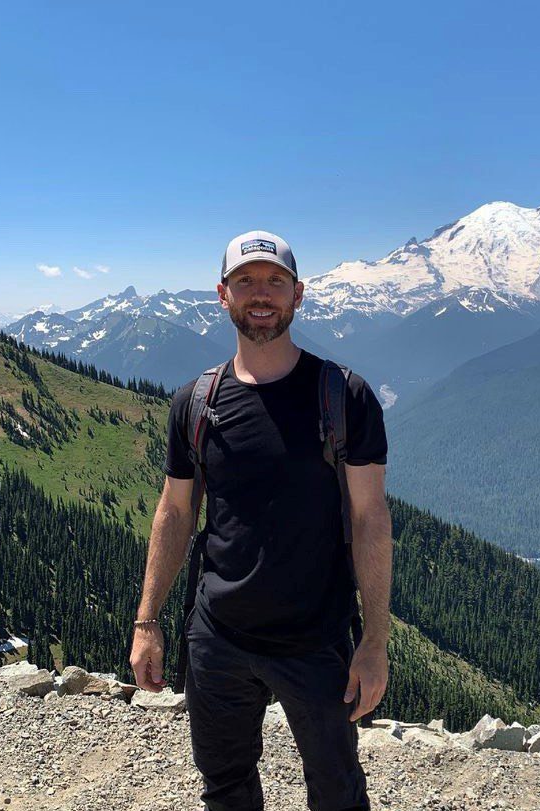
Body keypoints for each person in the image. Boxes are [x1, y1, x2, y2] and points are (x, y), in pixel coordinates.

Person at [129, 229, 393, 811]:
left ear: (299, 295)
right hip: (216, 637)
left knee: (336, 791)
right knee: (226, 789)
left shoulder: (343, 397)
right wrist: (148, 621)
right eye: (246, 281)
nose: (261, 293)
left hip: (316, 639)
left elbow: (371, 517)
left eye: (275, 281)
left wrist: (374, 640)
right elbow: (175, 511)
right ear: (223, 295)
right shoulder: (195, 403)